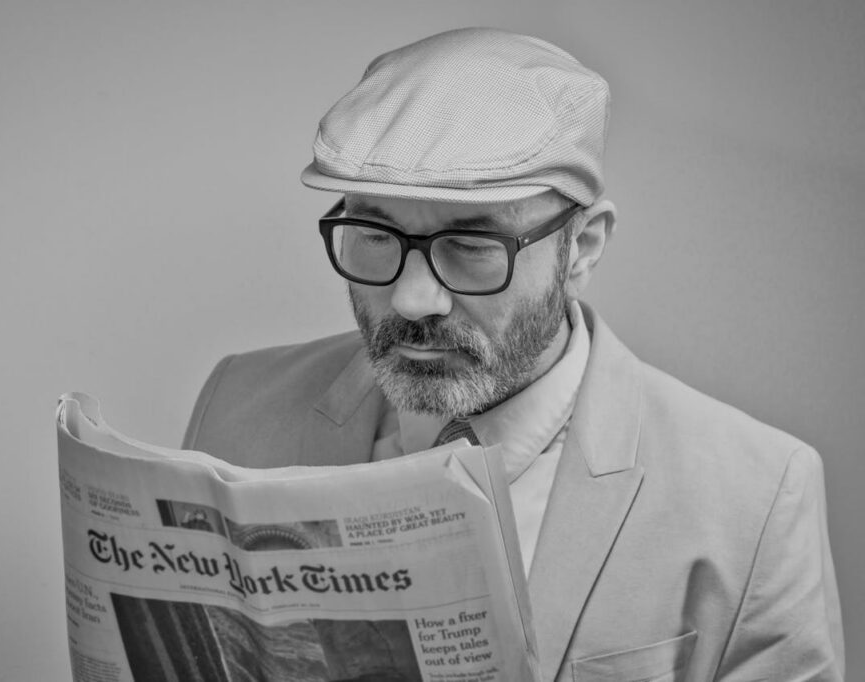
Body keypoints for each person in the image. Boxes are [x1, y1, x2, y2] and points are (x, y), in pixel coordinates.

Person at [183, 28, 844, 681]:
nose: (414, 300)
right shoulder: (237, 407)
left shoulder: (758, 497)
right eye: (375, 234)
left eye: (471, 247)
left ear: (580, 249)